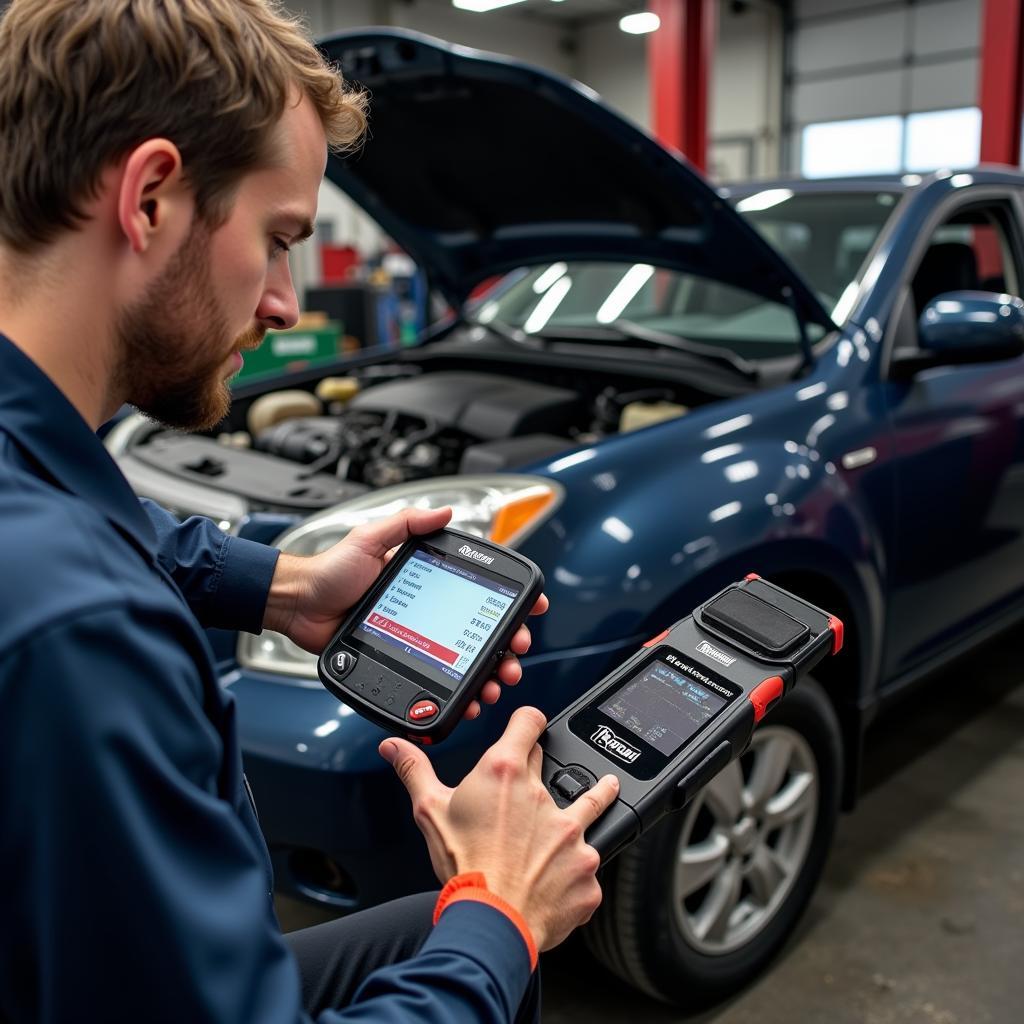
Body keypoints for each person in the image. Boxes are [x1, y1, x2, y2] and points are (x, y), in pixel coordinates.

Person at [0, 2, 620, 1021]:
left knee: (427, 925)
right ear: (152, 196)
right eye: (279, 237)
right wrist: (502, 914)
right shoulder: (82, 634)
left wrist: (282, 585)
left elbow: (90, 512)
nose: (287, 303)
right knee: (471, 930)